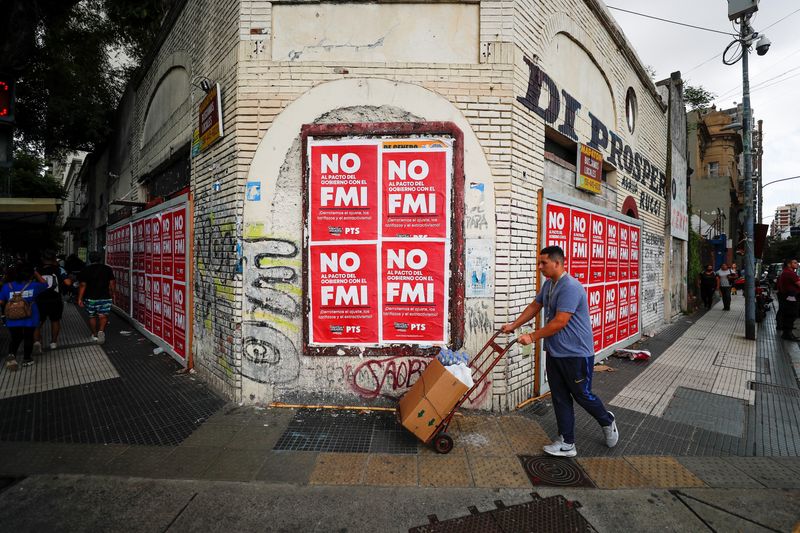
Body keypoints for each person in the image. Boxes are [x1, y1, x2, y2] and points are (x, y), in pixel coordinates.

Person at [501, 246, 618, 457]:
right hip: (555, 352)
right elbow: (534, 307)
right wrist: (513, 325)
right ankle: (567, 442)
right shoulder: (549, 285)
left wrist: (533, 337)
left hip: (576, 353)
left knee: (582, 395)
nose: (539, 267)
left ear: (557, 263)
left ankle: (607, 420)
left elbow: (560, 322)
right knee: (560, 396)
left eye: (543, 263)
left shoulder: (571, 287)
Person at [0, 263, 49, 369]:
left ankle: (11, 356)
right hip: (30, 317)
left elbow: (1, 301)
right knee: (28, 337)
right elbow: (45, 284)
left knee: (15, 338)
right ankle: (27, 359)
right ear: (30, 274)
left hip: (12, 318)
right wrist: (35, 272)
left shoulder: (7, 286)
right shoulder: (34, 286)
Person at [34, 250, 71, 351]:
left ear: (42, 259)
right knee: (55, 321)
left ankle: (37, 342)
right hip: (55, 300)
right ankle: (53, 342)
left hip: (39, 300)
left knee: (37, 322)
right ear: (54, 259)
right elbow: (68, 283)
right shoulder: (60, 269)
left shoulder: (36, 270)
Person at [77, 251, 115, 344]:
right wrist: (113, 294)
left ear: (90, 259)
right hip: (105, 296)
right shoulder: (107, 269)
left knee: (92, 316)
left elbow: (82, 285)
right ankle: (101, 331)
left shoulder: (85, 270)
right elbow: (112, 283)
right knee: (103, 315)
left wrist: (79, 298)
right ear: (100, 259)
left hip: (90, 298)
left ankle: (94, 334)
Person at [776, 258, 800, 341]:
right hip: (791, 296)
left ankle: (787, 333)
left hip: (787, 296)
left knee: (788, 314)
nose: (797, 264)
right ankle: (787, 334)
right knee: (791, 314)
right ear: (789, 264)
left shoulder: (785, 272)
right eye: (795, 263)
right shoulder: (790, 273)